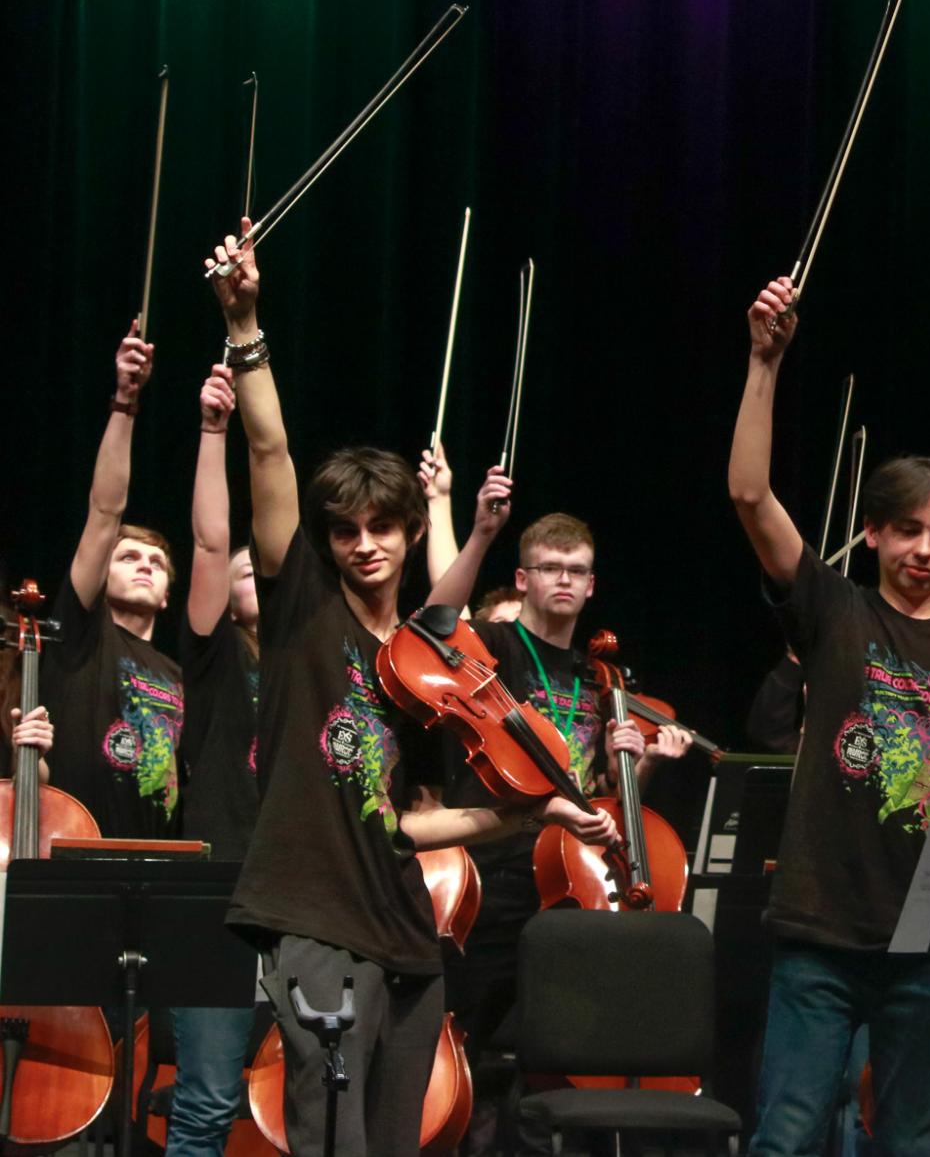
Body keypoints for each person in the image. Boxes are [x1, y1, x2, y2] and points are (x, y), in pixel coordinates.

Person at [203, 219, 616, 1156]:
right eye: (347, 530)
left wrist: (534, 815)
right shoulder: (305, 603)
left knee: (395, 1142)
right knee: (329, 1132)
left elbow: (406, 822)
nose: (366, 545)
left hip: (403, 922)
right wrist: (246, 327)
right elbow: (268, 454)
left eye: (383, 526)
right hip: (312, 915)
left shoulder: (428, 665)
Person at [727, 274, 930, 1156]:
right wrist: (765, 362)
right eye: (906, 530)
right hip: (821, 927)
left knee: (914, 1140)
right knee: (786, 1135)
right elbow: (751, 496)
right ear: (871, 534)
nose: (924, 550)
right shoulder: (834, 610)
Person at [424, 459, 695, 1150]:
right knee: (459, 1046)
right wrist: (477, 528)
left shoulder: (604, 678)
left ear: (592, 582)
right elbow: (435, 621)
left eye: (576, 569)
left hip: (568, 890)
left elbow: (603, 791)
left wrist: (640, 766)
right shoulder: (495, 647)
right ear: (524, 579)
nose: (564, 580)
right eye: (549, 567)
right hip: (490, 876)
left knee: (555, 1068)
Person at [167, 365, 267, 1157]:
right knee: (206, 1103)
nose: (254, 574)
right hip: (220, 893)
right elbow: (209, 540)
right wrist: (213, 433)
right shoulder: (215, 660)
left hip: (310, 897)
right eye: (245, 571)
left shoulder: (325, 659)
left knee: (317, 1098)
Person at [42, 322, 185, 838]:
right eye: (128, 557)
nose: (146, 564)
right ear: (101, 575)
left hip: (160, 860)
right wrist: (126, 402)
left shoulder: (178, 672)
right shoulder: (82, 634)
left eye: (158, 562)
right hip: (75, 843)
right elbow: (106, 511)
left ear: (169, 596)